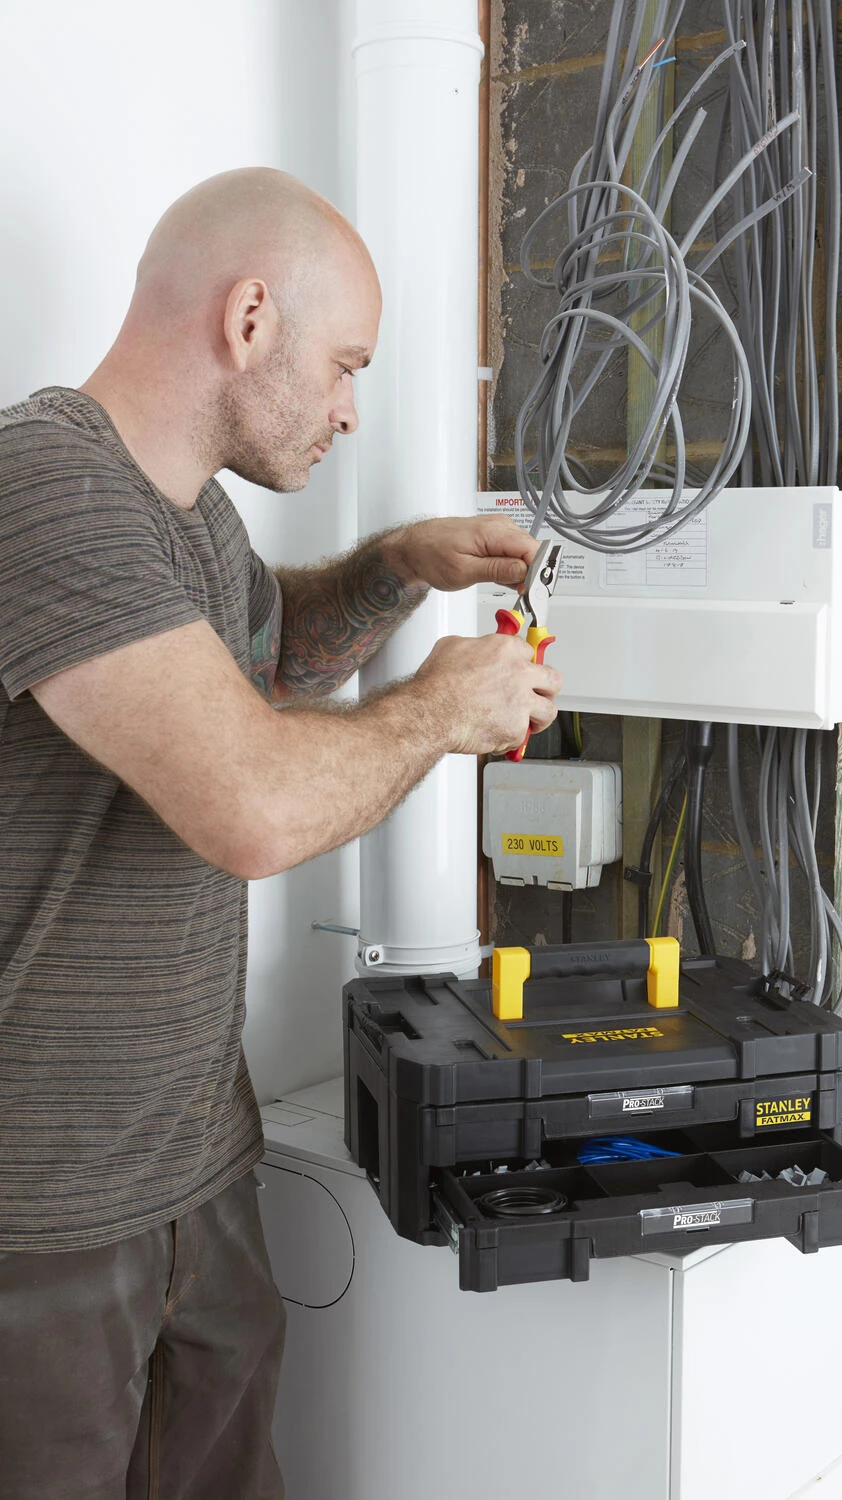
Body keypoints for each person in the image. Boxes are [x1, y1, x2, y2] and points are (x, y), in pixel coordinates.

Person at [0, 167, 561, 1499]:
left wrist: (398, 567)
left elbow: (265, 661)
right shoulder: (42, 488)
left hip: (195, 1164)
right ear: (250, 319)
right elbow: (249, 804)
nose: (351, 408)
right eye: (346, 364)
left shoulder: (191, 513)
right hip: (44, 1211)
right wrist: (442, 710)